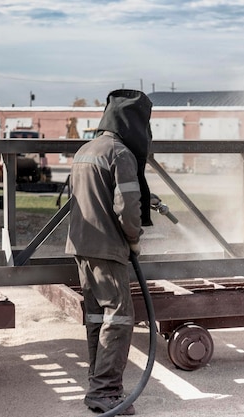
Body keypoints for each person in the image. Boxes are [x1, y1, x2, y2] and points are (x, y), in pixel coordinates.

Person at [65, 89, 153, 415]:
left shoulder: (85, 149)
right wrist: (133, 239)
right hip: (107, 246)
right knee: (119, 318)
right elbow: (127, 208)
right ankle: (106, 392)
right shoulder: (121, 154)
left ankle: (97, 382)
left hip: (80, 245)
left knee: (95, 316)